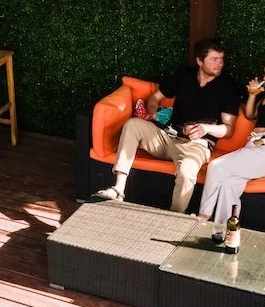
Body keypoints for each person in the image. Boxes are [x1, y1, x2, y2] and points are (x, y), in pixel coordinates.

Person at [93, 38, 239, 214]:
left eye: (221, 59)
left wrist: (206, 129)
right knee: (133, 125)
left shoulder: (227, 87)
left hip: (196, 144)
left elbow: (229, 129)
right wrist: (152, 112)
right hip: (166, 136)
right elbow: (155, 98)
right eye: (214, 59)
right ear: (200, 61)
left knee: (187, 171)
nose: (220, 64)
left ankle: (175, 215)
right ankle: (118, 189)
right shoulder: (184, 76)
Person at [198, 52, 265, 226]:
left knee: (216, 166)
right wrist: (253, 94)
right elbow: (250, 114)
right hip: (254, 148)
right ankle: (223, 228)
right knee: (229, 185)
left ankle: (203, 216)